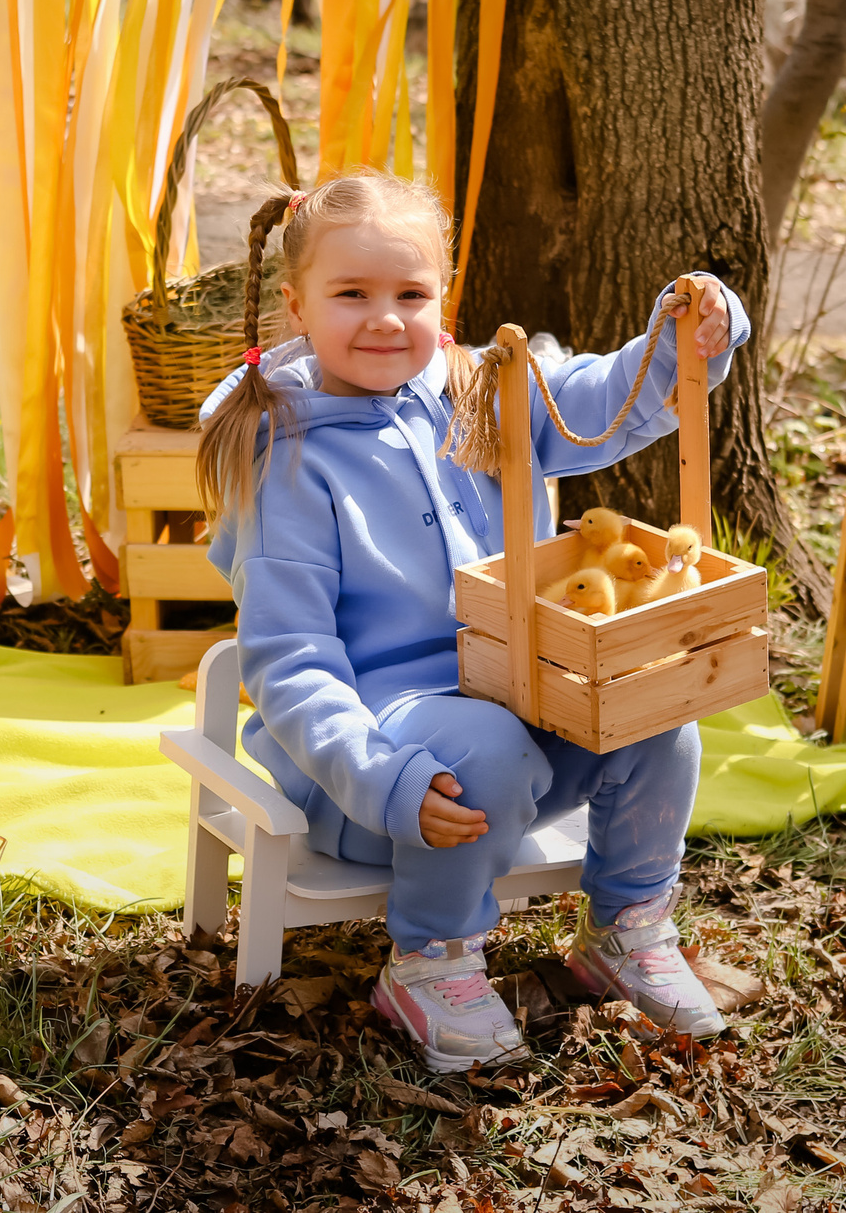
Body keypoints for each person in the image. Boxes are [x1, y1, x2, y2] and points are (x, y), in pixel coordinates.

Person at [197, 167, 751, 1074]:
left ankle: (628, 926)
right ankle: (433, 959)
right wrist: (380, 777)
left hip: (519, 716)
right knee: (482, 750)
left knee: (654, 712)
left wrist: (681, 336)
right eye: (352, 293)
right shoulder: (287, 461)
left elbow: (602, 400)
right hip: (377, 772)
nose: (386, 318)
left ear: (444, 299)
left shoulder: (479, 390)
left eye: (411, 294)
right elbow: (291, 661)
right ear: (296, 305)